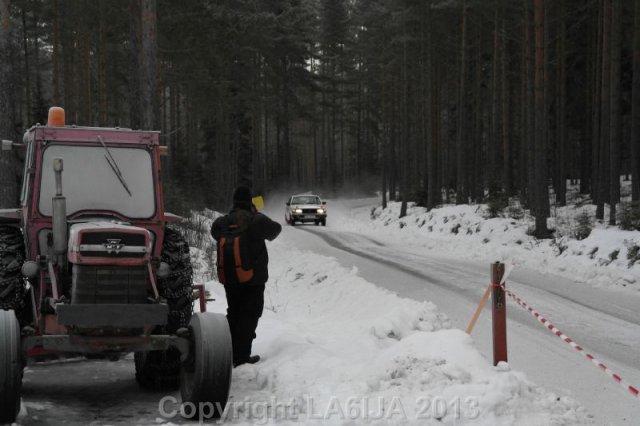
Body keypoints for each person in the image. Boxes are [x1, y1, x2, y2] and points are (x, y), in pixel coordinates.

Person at [211, 186, 281, 367]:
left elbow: (214, 233)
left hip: (230, 278)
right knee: (249, 315)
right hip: (253, 280)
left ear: (234, 202)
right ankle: (241, 357)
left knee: (234, 313)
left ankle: (228, 352)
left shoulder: (222, 222)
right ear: (250, 201)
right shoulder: (256, 220)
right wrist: (256, 214)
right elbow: (275, 230)